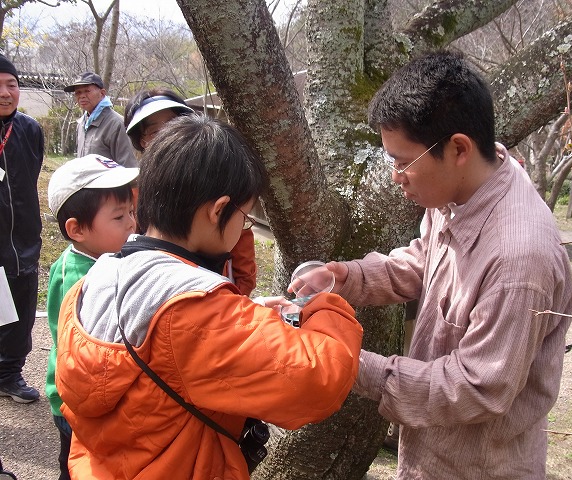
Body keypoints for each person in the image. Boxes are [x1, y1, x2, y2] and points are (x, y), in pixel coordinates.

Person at [300, 51, 572, 479]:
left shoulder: (519, 261)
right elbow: (423, 262)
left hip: (479, 467)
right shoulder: (456, 194)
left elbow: (477, 387)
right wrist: (343, 276)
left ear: (459, 148)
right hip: (431, 452)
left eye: (402, 161)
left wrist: (351, 364)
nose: (396, 176)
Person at [55, 114, 363, 480]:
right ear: (218, 210)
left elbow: (165, 349)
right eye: (244, 217)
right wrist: (325, 307)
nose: (243, 227)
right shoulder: (195, 311)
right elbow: (317, 381)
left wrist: (243, 311)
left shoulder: (94, 279)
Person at [45, 155, 138, 480]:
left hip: (84, 395)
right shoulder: (83, 278)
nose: (131, 223)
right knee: (79, 466)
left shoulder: (100, 258)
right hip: (78, 402)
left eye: (131, 212)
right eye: (118, 216)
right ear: (77, 229)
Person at [124, 88, 257, 296]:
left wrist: (239, 297)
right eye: (155, 132)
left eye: (174, 125)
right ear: (142, 141)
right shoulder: (132, 196)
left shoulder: (220, 186)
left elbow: (241, 248)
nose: (168, 135)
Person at [0, 53, 44, 404]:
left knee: (21, 312)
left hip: (25, 241)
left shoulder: (30, 129)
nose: (5, 93)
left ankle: (10, 374)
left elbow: (31, 176)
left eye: (11, 84)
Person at [64, 72, 137, 168]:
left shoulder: (116, 124)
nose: (82, 96)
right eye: (78, 92)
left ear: (102, 93)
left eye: (87, 91)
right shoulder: (81, 123)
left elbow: (128, 166)